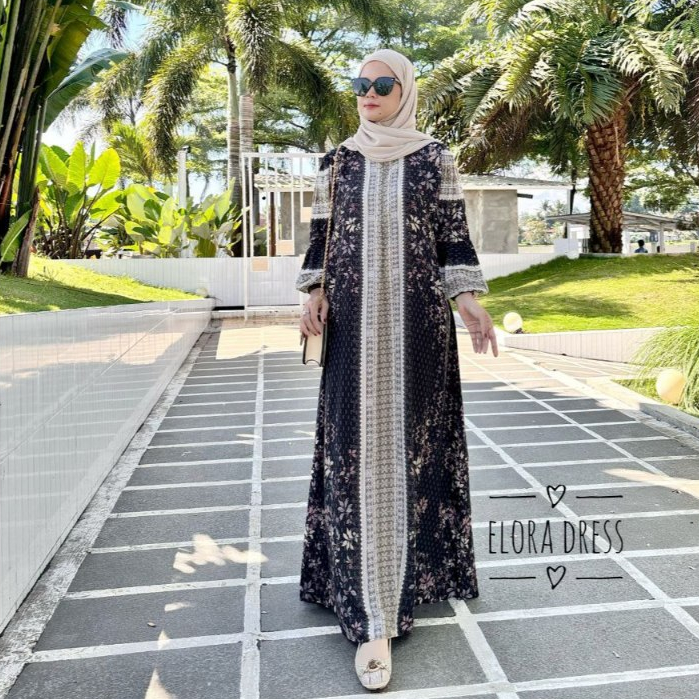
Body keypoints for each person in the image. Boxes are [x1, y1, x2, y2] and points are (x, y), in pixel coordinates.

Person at [294, 48, 498, 691]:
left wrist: (469, 302)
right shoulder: (338, 161)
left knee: (412, 455)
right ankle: (371, 614)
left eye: (382, 84)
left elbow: (452, 238)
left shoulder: (435, 158)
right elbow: (322, 238)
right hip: (352, 334)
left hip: (419, 333)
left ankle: (412, 576)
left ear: (404, 90)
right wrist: (313, 292)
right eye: (361, 83)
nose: (369, 92)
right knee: (354, 458)